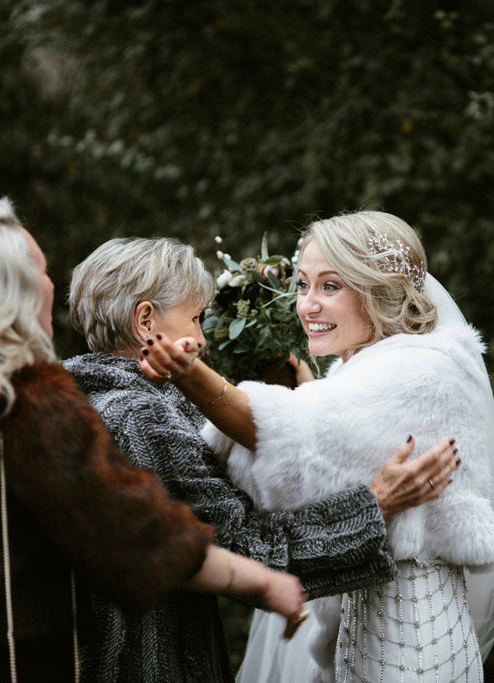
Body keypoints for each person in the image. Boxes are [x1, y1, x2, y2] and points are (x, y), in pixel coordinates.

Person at [0, 199, 308, 682]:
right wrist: (263, 581)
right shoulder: (32, 410)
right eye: (39, 268)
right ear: (3, 296)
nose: (52, 285)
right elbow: (138, 536)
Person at [63, 236, 460, 682]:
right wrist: (373, 504)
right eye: (194, 317)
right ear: (146, 321)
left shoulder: (82, 404)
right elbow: (242, 549)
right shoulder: (141, 417)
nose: (200, 338)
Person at [142, 211, 494, 683]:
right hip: (373, 619)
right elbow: (337, 446)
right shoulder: (378, 365)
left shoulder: (425, 370)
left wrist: (191, 374)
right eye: (302, 285)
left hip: (414, 633)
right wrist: (305, 388)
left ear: (379, 291)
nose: (308, 305)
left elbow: (297, 436)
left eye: (330, 286)